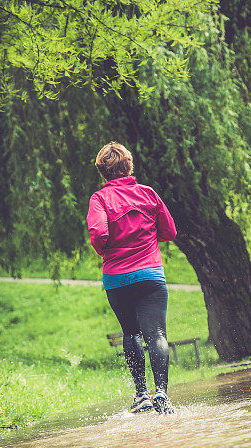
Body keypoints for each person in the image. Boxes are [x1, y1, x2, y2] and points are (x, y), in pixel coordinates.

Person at [87, 141, 176, 414]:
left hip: (117, 278)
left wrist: (108, 252)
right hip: (150, 273)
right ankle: (162, 392)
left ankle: (141, 395)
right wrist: (147, 242)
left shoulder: (99, 199)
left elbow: (99, 234)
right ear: (129, 166)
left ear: (102, 171)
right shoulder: (148, 194)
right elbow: (170, 231)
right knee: (157, 334)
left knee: (131, 333)